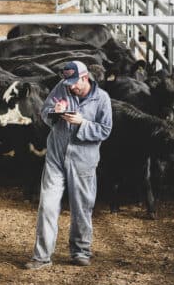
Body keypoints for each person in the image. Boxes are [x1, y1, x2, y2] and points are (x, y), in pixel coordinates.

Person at [26, 60, 112, 270]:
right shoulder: (62, 87)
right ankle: (41, 256)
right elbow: (45, 113)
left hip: (83, 160)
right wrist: (55, 113)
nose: (70, 86)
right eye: (68, 82)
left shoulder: (102, 99)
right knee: (47, 205)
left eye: (74, 82)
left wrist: (82, 123)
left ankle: (81, 251)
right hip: (56, 155)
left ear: (85, 78)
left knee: (81, 207)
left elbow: (105, 130)